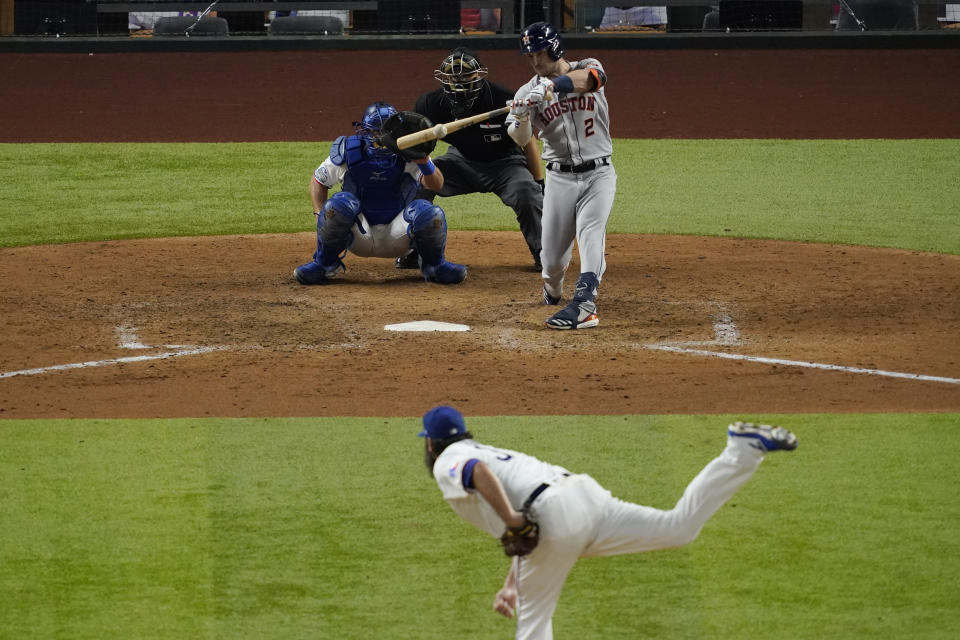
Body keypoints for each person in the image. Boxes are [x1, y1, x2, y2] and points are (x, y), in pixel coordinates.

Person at [418, 405, 798, 640]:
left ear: (431, 444)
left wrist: (513, 519)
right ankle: (742, 450)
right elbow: (527, 536)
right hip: (582, 497)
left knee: (533, 628)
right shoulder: (489, 448)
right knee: (678, 528)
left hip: (554, 516)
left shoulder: (449, 460)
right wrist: (513, 584)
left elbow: (479, 474)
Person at [507, 22, 616, 330]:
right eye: (529, 56)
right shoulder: (527, 91)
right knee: (552, 263)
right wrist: (521, 114)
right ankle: (553, 290)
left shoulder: (588, 66)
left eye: (539, 53)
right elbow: (520, 138)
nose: (535, 62)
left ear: (554, 48)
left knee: (591, 232)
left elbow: (592, 80)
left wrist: (552, 86)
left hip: (599, 174)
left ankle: (584, 304)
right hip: (560, 180)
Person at [401, 47, 544, 272]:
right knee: (417, 183)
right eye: (452, 76)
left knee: (527, 191)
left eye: (466, 75)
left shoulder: (502, 99)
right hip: (460, 162)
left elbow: (528, 141)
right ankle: (414, 249)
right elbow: (413, 143)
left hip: (506, 164)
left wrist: (539, 180)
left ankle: (543, 252)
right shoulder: (430, 103)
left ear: (479, 76)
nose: (459, 81)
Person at [293, 102, 467, 286]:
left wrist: (423, 160)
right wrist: (320, 214)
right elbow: (319, 180)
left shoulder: (410, 152)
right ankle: (323, 265)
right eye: (374, 132)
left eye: (384, 132)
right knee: (339, 204)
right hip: (359, 234)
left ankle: (435, 267)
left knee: (429, 213)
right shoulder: (348, 152)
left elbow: (436, 184)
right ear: (364, 131)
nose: (379, 137)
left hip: (399, 235)